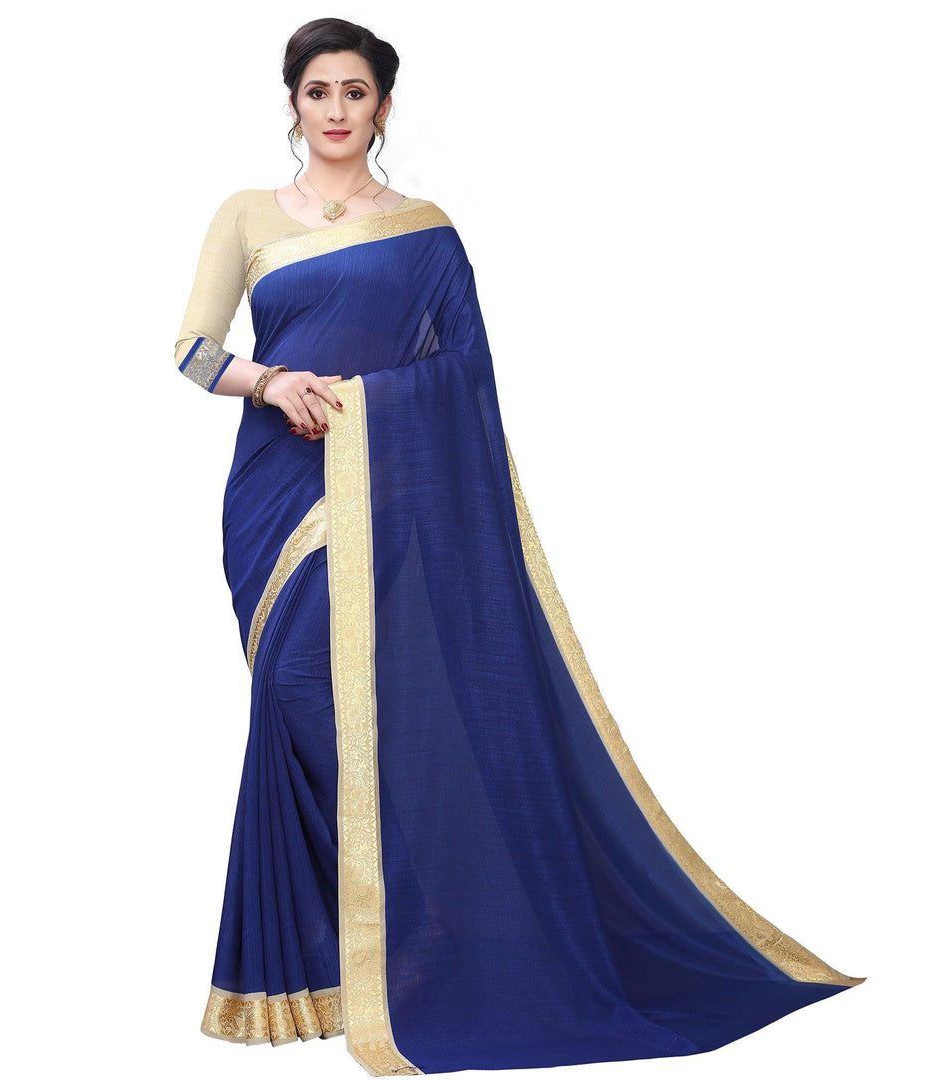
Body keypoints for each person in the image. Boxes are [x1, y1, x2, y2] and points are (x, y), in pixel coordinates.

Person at [174, 17, 865, 1077]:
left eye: (356, 92)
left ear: (384, 107)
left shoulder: (426, 231)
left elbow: (467, 375)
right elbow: (190, 350)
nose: (337, 110)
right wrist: (270, 382)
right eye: (318, 92)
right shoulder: (245, 214)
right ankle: (343, 960)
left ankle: (432, 951)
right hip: (277, 497)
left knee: (392, 708)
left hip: (387, 491)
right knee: (299, 698)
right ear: (294, 104)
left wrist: (361, 403)